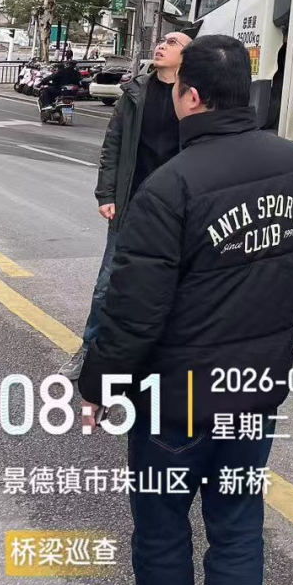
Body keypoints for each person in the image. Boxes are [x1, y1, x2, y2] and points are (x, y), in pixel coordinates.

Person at [78, 35, 293, 585]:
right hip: (254, 391)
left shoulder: (169, 186)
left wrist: (99, 386)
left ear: (189, 97)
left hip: (175, 401)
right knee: (237, 530)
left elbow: (134, 310)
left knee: (162, 532)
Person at [58, 29, 192, 379]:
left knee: (173, 285)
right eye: (162, 41)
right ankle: (89, 350)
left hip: (177, 209)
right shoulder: (135, 92)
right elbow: (113, 146)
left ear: (187, 57)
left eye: (173, 43)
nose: (162, 45)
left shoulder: (194, 96)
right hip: (132, 203)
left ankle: (160, 360)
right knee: (109, 283)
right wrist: (106, 195)